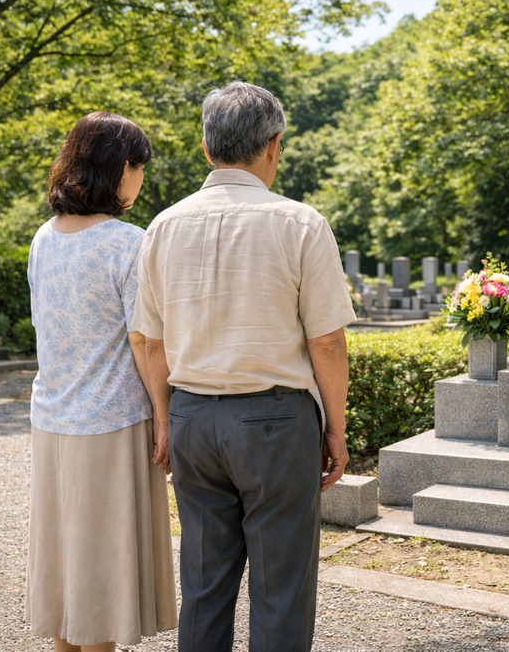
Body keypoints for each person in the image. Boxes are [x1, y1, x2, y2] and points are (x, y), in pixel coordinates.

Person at [134, 81, 356, 652]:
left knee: (204, 583)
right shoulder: (300, 223)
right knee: (281, 583)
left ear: (207, 148)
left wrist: (165, 419)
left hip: (191, 419)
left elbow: (148, 340)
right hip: (275, 423)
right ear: (274, 146)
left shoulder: (163, 226)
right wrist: (336, 427)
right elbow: (327, 340)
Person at [25, 111, 177, 652]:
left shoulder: (44, 238)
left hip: (53, 419)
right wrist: (164, 415)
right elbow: (146, 342)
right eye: (138, 167)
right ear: (119, 170)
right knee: (103, 566)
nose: (141, 180)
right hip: (112, 421)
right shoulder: (126, 242)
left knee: (66, 559)